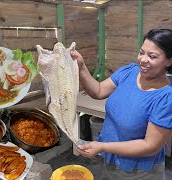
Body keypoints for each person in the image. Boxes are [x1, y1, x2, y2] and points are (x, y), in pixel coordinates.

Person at [71, 29, 172, 180]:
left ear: (169, 61)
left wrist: (102, 146)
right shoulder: (129, 72)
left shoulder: (165, 98)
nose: (143, 59)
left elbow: (150, 146)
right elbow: (98, 91)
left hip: (138, 172)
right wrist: (81, 67)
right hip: (110, 160)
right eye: (141, 52)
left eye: (152, 56)